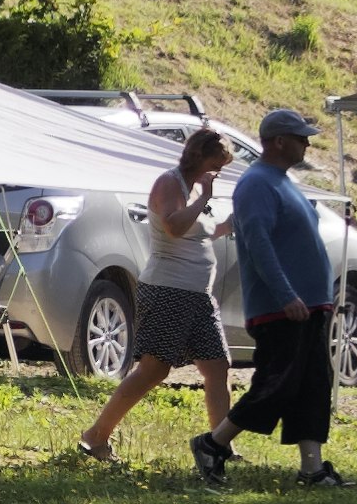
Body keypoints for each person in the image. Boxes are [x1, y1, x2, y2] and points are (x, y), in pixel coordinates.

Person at [68, 127, 237, 469]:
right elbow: (174, 226)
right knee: (153, 370)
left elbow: (196, 232)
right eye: (216, 166)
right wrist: (204, 195)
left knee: (217, 367)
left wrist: (228, 225)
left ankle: (220, 446)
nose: (218, 174)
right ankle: (96, 436)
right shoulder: (170, 183)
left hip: (198, 295)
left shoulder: (195, 189)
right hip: (167, 290)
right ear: (199, 157)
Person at [228, 104, 346, 490]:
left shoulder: (281, 180)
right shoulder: (256, 184)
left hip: (307, 306)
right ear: (279, 141)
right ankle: (213, 444)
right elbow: (258, 244)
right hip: (282, 309)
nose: (306, 146)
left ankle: (312, 468)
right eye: (300, 139)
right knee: (277, 384)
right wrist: (285, 295)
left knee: (312, 386)